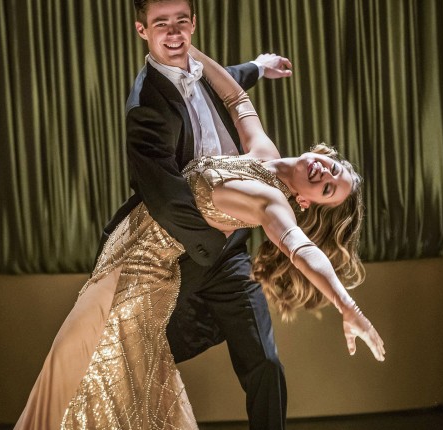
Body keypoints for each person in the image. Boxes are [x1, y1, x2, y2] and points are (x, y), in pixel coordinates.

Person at [14, 41, 385, 429]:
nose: (325, 175)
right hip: (123, 246)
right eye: (332, 169)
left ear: (307, 202)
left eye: (328, 188)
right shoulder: (262, 151)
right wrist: (185, 52)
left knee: (87, 373)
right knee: (76, 371)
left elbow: (301, 248)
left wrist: (348, 307)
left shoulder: (274, 203)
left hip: (146, 274)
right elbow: (233, 95)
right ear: (323, 153)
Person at [94, 0, 293, 428]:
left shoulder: (200, 71)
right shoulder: (145, 106)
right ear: (142, 31)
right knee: (141, 362)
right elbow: (167, 200)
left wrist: (259, 67)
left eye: (181, 21)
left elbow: (229, 82)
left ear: (193, 24)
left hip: (230, 252)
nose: (173, 32)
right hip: (178, 256)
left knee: (266, 362)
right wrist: (217, 237)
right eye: (161, 24)